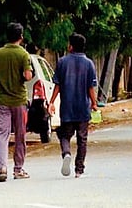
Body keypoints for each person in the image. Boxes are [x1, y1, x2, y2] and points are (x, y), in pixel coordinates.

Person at [48, 33, 98, 178]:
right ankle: (79, 170)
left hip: (67, 107)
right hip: (83, 107)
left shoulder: (62, 62)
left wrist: (51, 102)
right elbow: (90, 87)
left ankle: (66, 153)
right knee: (82, 139)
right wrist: (94, 103)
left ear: (70, 46)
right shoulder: (89, 64)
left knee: (64, 135)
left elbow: (57, 85)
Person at [0, 22, 32, 182]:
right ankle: (18, 169)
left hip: (2, 100)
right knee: (20, 135)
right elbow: (28, 76)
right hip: (19, 100)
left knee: (2, 135)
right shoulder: (23, 54)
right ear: (21, 36)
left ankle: (2, 168)